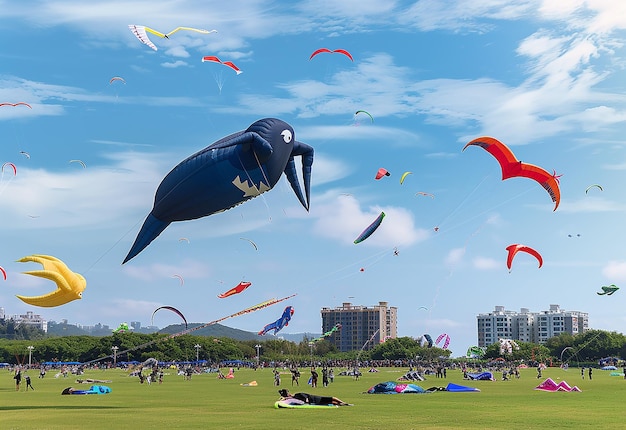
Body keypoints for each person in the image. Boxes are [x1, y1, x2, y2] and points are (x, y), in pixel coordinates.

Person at [278, 389, 352, 406]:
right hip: (314, 401)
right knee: (331, 401)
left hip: (315, 399)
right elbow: (288, 399)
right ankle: (343, 404)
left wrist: (306, 400)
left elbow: (305, 396)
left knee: (332, 399)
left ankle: (343, 403)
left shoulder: (297, 394)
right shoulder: (294, 398)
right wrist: (283, 398)